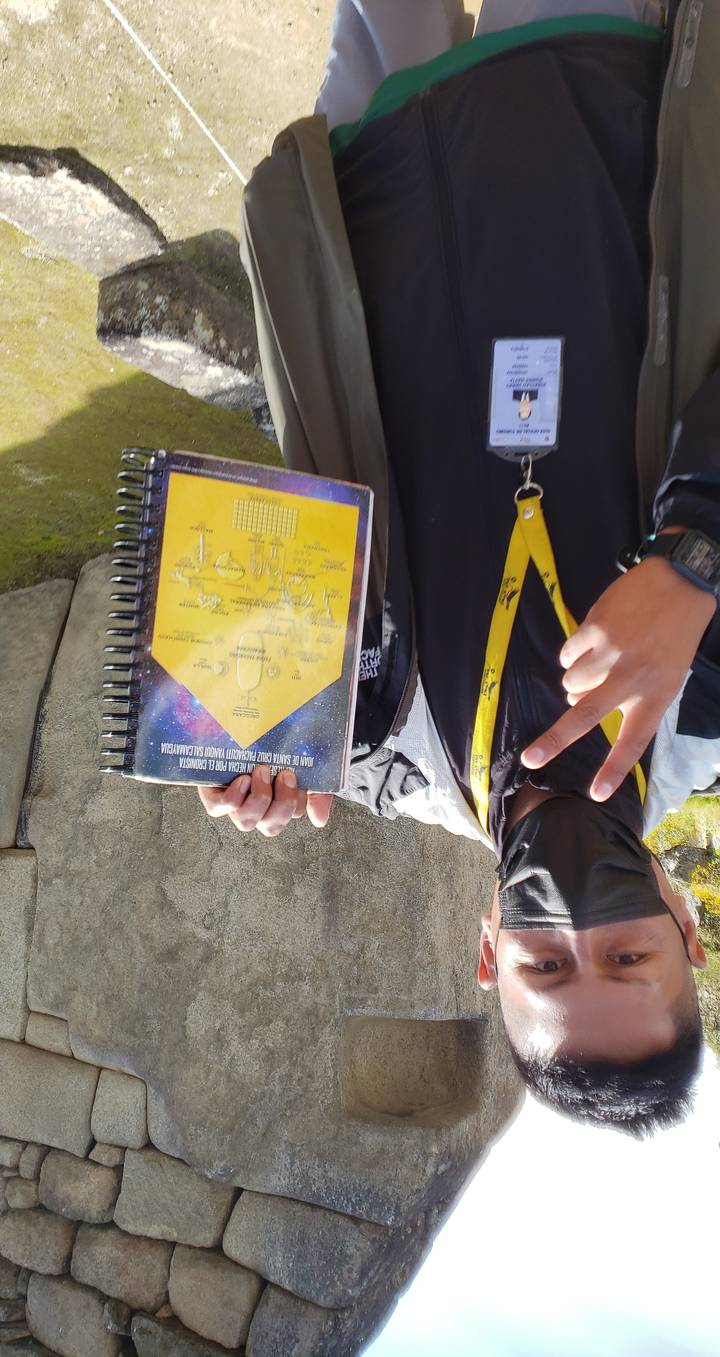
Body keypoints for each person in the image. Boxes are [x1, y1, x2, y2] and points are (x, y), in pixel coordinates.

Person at [200, 0, 720, 1131]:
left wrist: (239, 729)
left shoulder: (369, 749)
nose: (578, 922)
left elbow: (258, 545)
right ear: (684, 922)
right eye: (629, 953)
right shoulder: (717, 708)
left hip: (383, 158)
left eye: (546, 964)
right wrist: (697, 560)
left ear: (487, 953)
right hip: (584, 82)